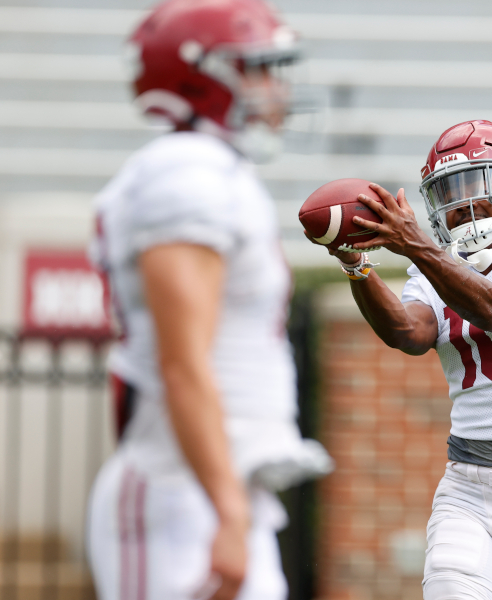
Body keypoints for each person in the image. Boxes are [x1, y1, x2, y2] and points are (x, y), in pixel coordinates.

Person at [87, 1, 331, 599]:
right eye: (259, 68)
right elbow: (182, 362)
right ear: (203, 75)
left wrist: (233, 505)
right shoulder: (185, 172)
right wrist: (224, 508)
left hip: (216, 488)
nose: (276, 87)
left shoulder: (214, 170)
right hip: (179, 489)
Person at [319, 120, 492, 599]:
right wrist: (357, 265)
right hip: (470, 493)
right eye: (448, 191)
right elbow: (409, 332)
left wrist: (418, 245)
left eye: (475, 184)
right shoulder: (430, 272)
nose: (460, 204)